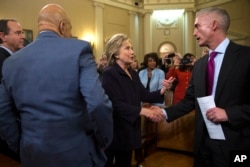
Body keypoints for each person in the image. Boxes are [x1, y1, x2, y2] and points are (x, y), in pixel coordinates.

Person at [0, 4, 113, 167]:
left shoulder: (11, 62)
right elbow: (98, 103)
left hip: (32, 153)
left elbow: (3, 111)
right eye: (70, 29)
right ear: (62, 26)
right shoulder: (79, 49)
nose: (71, 34)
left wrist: (20, 144)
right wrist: (103, 141)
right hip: (76, 153)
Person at [152, 7, 250, 167]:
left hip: (238, 145)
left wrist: (229, 114)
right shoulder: (199, 65)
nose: (193, 32)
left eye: (197, 26)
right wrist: (163, 112)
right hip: (203, 145)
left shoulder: (246, 57)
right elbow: (189, 101)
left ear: (214, 25)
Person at [101, 33, 174, 167]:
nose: (132, 52)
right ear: (116, 54)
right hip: (115, 131)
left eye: (132, 48)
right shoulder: (109, 73)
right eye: (127, 48)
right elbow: (115, 104)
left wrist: (163, 90)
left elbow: (144, 95)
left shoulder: (133, 73)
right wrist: (144, 111)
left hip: (130, 129)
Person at [0, 18, 25, 162]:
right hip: (10, 138)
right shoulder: (3, 62)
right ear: (3, 36)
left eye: (22, 32)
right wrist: (16, 143)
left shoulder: (11, 59)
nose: (22, 36)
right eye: (18, 33)